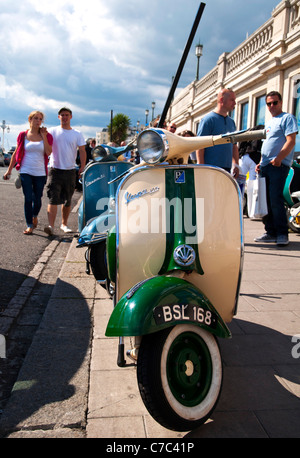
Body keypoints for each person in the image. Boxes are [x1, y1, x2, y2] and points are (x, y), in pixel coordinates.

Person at [254, 91, 298, 246]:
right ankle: (270, 232)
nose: (272, 106)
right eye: (269, 103)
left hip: (278, 166)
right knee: (266, 201)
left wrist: (279, 159)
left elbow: (291, 141)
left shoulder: (287, 118)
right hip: (266, 166)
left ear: (280, 102)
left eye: (275, 102)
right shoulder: (270, 122)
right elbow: (267, 144)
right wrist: (260, 162)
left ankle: (281, 233)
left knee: (275, 200)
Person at [3, 111, 53, 235]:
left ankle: (35, 215)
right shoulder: (23, 135)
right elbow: (16, 153)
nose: (38, 121)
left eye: (40, 119)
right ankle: (29, 225)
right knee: (28, 198)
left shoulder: (47, 135)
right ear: (30, 120)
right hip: (25, 170)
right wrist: (9, 170)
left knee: (38, 198)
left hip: (40, 172)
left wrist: (44, 136)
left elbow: (48, 153)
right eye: (35, 118)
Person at [44, 107, 86, 236]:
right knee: (53, 198)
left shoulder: (77, 134)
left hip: (70, 170)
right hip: (55, 170)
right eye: (62, 115)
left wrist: (82, 166)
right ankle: (51, 226)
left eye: (67, 115)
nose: (64, 117)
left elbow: (82, 151)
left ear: (71, 117)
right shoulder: (52, 131)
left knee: (67, 200)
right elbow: (43, 143)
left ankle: (64, 224)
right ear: (58, 117)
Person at [196, 88, 239, 178]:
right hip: (210, 169)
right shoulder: (208, 120)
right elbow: (199, 145)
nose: (235, 103)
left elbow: (234, 145)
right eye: (232, 100)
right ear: (222, 100)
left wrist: (236, 164)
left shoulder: (231, 122)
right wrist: (201, 167)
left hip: (227, 170)